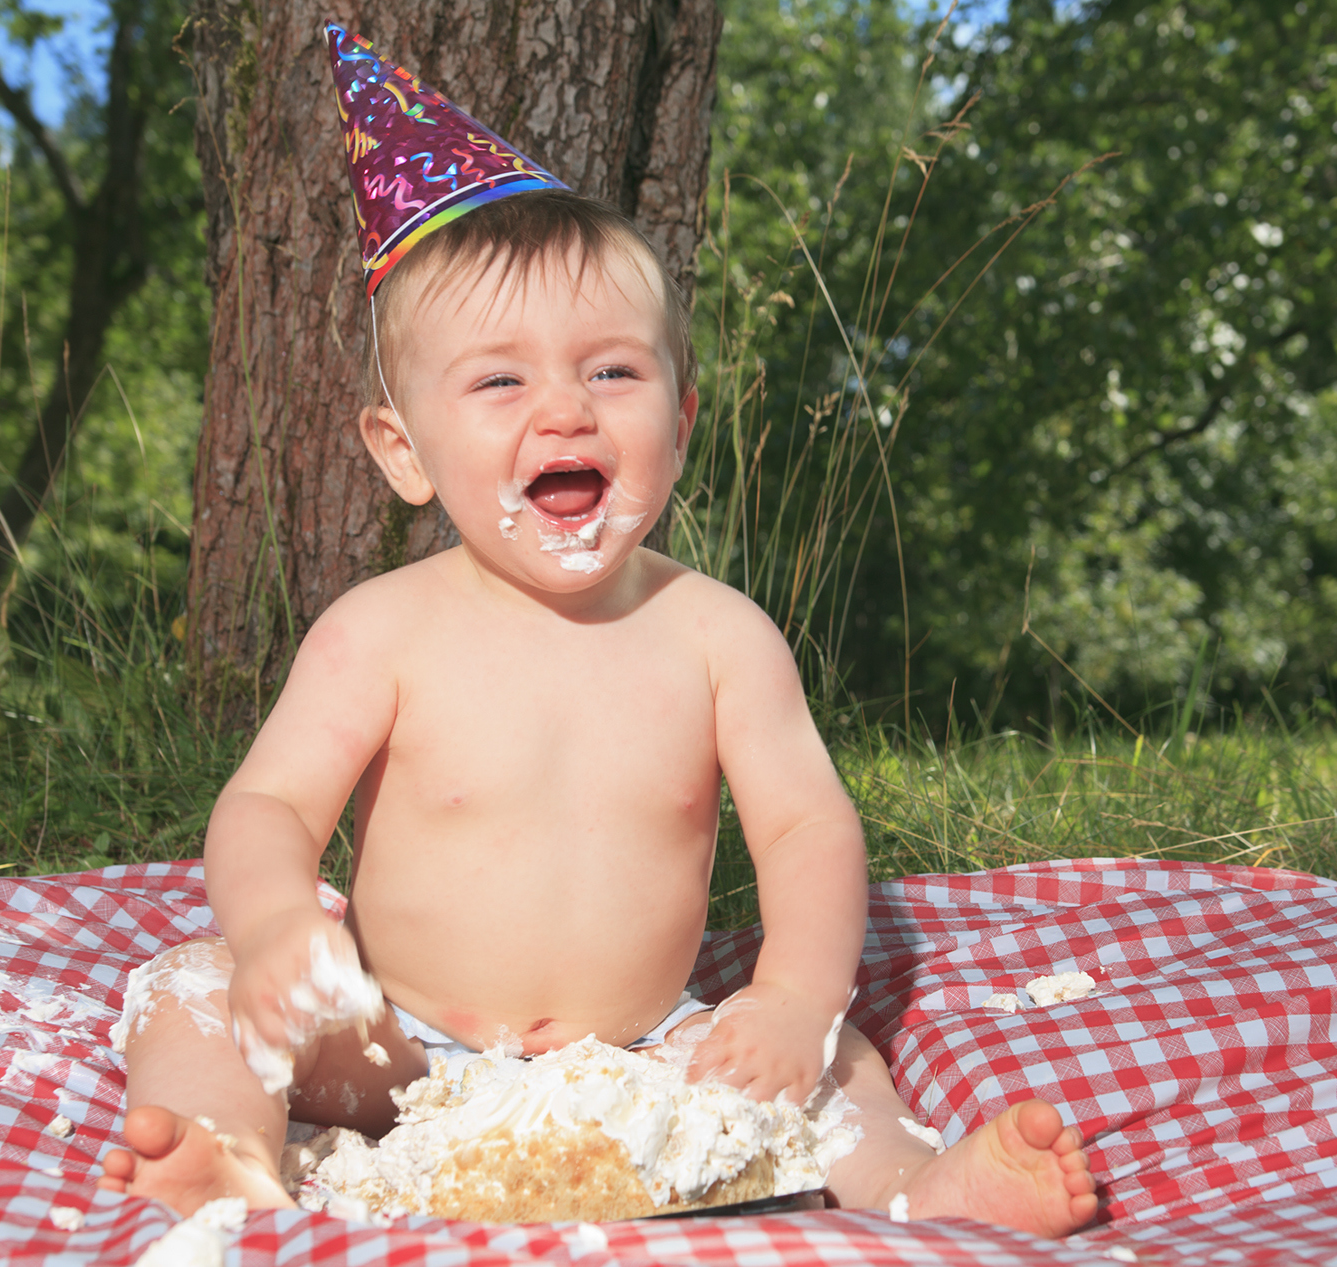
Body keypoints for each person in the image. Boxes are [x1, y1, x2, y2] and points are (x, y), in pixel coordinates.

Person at [95, 25, 1096, 1240]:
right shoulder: (380, 632)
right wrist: (271, 933)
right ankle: (231, 1155)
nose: (565, 407)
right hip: (397, 1052)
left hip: (645, 1052)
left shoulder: (718, 635)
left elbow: (805, 822)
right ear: (404, 453)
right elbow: (268, 809)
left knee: (838, 1062)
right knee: (192, 993)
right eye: (499, 382)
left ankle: (919, 1182)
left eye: (613, 373)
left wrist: (787, 996)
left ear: (677, 419)